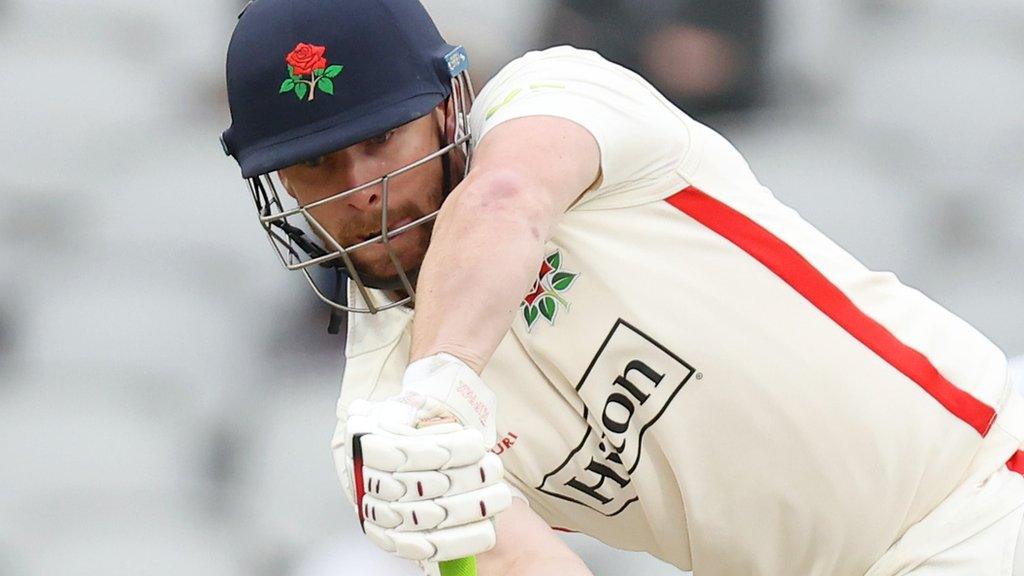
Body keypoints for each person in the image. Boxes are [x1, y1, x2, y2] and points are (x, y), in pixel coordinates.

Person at [220, 1, 1024, 574]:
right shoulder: (372, 422)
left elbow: (507, 201)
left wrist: (438, 384)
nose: (363, 189)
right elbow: (517, 565)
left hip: (987, 493)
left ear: (446, 103)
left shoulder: (558, 94)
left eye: (383, 138)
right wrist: (417, 411)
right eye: (319, 162)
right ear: (277, 185)